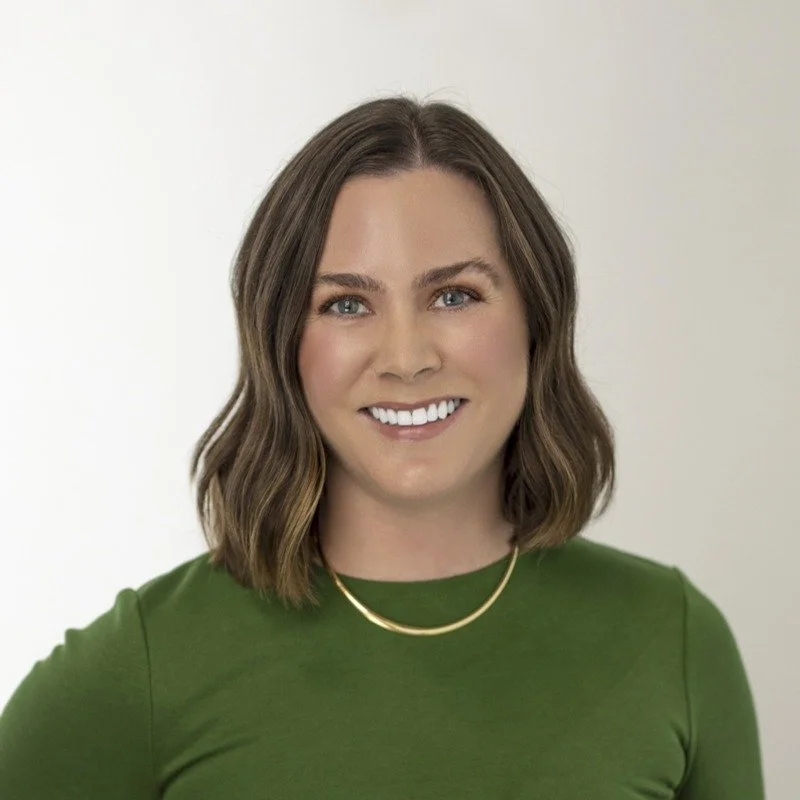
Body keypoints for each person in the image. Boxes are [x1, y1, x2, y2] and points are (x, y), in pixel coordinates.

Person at [0, 95, 764, 798]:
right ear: (282, 344)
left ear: (536, 317)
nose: (405, 356)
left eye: (454, 295)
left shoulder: (674, 640)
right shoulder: (151, 664)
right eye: (347, 303)